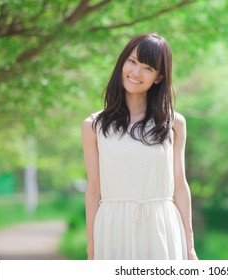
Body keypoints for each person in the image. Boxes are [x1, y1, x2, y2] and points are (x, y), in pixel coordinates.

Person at [81, 33, 198, 260]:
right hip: (113, 227)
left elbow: (180, 186)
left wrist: (190, 246)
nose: (135, 73)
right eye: (132, 61)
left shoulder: (173, 124)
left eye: (147, 67)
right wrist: (92, 247)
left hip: (162, 227)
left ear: (158, 77)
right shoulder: (94, 126)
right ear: (122, 62)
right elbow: (94, 190)